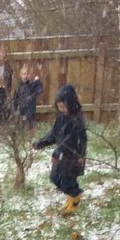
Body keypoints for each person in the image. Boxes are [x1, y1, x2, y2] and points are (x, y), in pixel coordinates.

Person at [32, 83, 88, 212]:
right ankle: (73, 196)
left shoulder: (77, 120)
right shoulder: (61, 118)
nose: (62, 109)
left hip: (72, 156)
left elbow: (74, 140)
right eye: (59, 107)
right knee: (55, 178)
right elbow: (53, 134)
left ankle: (74, 199)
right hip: (61, 156)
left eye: (64, 107)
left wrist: (81, 156)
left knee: (68, 180)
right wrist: (40, 143)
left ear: (71, 104)